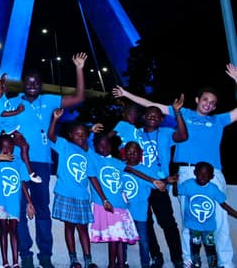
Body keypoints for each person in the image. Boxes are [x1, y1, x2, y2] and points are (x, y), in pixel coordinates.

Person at [113, 69, 237, 268]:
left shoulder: (218, 120)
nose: (209, 104)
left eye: (213, 102)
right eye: (205, 99)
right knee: (189, 220)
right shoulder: (183, 113)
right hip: (187, 172)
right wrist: (127, 94)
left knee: (220, 220)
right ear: (197, 99)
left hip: (213, 173)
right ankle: (188, 261)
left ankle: (226, 263)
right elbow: (151, 105)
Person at [17, 53, 88, 268]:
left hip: (42, 163)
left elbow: (79, 97)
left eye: (37, 83)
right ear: (23, 84)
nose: (32, 86)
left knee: (42, 209)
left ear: (41, 85)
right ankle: (25, 254)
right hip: (19, 162)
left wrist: (79, 68)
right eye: (29, 83)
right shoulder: (12, 103)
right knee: (19, 209)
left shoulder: (48, 100)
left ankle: (45, 255)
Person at [136, 101, 187, 268]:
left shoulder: (165, 132)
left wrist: (177, 113)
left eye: (157, 116)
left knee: (168, 223)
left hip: (160, 185)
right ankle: (156, 256)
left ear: (161, 120)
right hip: (141, 185)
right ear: (143, 117)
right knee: (146, 223)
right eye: (150, 114)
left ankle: (177, 258)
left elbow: (183, 136)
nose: (153, 117)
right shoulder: (135, 134)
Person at [86, 134, 144, 268]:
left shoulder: (117, 162)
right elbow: (93, 178)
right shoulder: (94, 159)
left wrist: (153, 180)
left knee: (120, 238)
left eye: (107, 145)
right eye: (101, 145)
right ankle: (112, 265)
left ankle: (121, 264)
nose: (104, 147)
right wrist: (104, 199)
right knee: (114, 237)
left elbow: (132, 170)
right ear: (95, 147)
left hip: (120, 206)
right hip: (105, 205)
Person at [47, 108, 95, 268]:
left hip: (82, 196)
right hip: (66, 193)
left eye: (83, 135)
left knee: (83, 228)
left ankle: (89, 260)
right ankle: (73, 259)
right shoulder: (65, 145)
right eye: (77, 134)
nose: (80, 137)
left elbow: (93, 175)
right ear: (70, 135)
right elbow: (51, 136)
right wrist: (54, 119)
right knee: (69, 226)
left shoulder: (88, 152)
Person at [122, 142, 176, 268]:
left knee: (144, 242)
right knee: (122, 241)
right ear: (125, 154)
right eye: (129, 152)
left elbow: (158, 184)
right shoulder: (120, 168)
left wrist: (167, 180)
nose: (132, 155)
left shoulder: (146, 170)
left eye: (135, 152)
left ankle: (145, 264)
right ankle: (122, 262)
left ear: (140, 154)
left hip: (140, 213)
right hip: (124, 214)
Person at [177, 162, 237, 268]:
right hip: (194, 226)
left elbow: (223, 204)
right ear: (195, 173)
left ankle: (213, 265)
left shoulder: (213, 188)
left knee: (210, 247)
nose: (202, 177)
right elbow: (178, 191)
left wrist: (235, 214)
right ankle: (195, 263)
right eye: (200, 174)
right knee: (195, 246)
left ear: (212, 176)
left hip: (208, 227)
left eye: (206, 175)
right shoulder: (189, 184)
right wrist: (175, 182)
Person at [0, 133, 35, 268]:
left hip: (14, 201)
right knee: (3, 229)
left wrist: (29, 202)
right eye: (3, 147)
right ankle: (5, 262)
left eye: (10, 147)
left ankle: (15, 262)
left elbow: (23, 183)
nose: (7, 150)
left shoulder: (17, 162)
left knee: (14, 230)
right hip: (0, 201)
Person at [0, 75, 42, 184]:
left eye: (1, 88)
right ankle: (26, 173)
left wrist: (2, 81)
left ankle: (29, 173)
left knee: (24, 147)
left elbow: (2, 89)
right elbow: (3, 113)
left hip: (12, 129)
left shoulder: (0, 96)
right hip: (6, 132)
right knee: (17, 150)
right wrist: (18, 111)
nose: (0, 91)